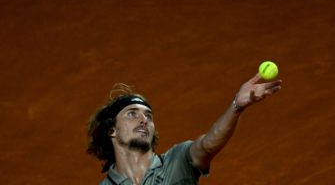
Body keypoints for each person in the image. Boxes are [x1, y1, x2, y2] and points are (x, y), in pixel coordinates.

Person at [87, 73, 282, 184]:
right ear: (111, 130)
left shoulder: (177, 161)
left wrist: (237, 106)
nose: (143, 120)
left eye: (148, 116)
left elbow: (208, 144)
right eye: (132, 114)